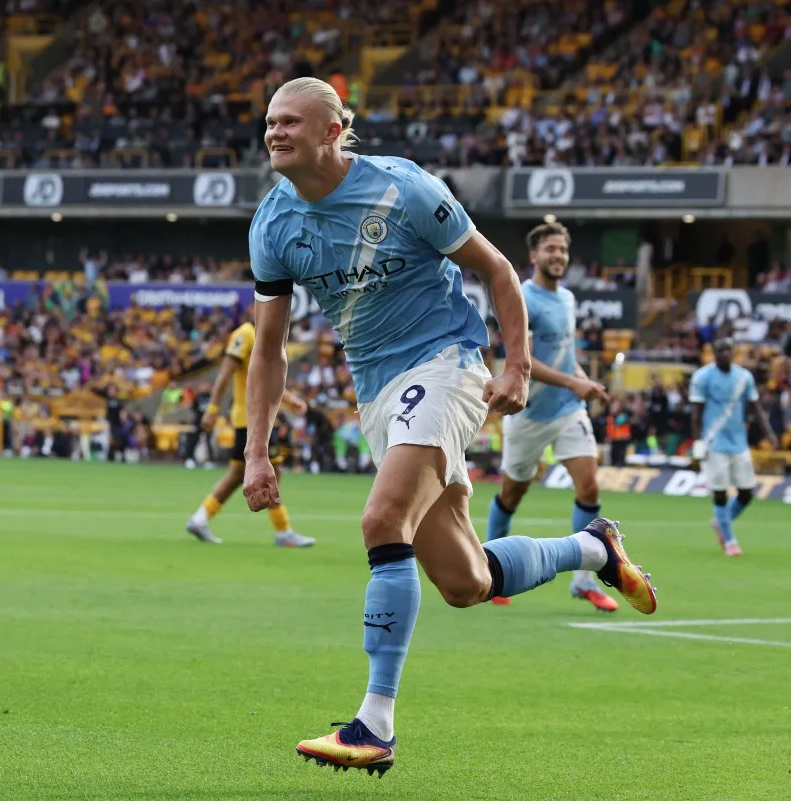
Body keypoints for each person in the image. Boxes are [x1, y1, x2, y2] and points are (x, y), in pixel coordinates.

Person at [241, 77, 658, 778]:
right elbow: (269, 348)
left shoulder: (403, 189)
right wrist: (256, 449)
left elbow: (496, 270)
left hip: (448, 362)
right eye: (269, 122)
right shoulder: (273, 225)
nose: (274, 132)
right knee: (466, 581)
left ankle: (374, 722)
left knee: (382, 518)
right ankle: (593, 548)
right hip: (378, 392)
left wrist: (517, 365)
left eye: (290, 121)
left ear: (333, 130)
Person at [485, 222, 618, 613]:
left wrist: (582, 381)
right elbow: (522, 360)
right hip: (526, 411)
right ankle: (492, 571)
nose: (558, 256)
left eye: (562, 249)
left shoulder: (570, 299)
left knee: (589, 487)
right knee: (512, 494)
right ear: (534, 256)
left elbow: (564, 353)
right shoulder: (523, 297)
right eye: (551, 249)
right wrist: (571, 383)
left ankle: (583, 581)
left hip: (566, 410)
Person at [185, 304, 315, 547]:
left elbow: (267, 381)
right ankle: (283, 531)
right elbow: (224, 374)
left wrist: (291, 400)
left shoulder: (266, 339)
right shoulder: (245, 334)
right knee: (272, 473)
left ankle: (200, 518)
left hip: (257, 418)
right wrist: (212, 409)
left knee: (236, 475)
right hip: (251, 420)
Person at [690, 338, 779, 557]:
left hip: (738, 443)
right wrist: (697, 442)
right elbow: (697, 413)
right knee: (719, 493)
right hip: (714, 443)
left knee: (747, 493)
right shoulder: (703, 377)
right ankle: (730, 541)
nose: (724, 354)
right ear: (713, 352)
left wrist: (769, 433)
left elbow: (755, 407)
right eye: (719, 350)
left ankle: (721, 521)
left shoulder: (744, 377)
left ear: (734, 351)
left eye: (728, 350)